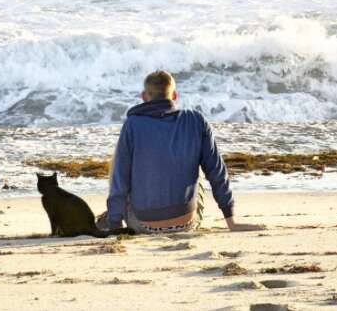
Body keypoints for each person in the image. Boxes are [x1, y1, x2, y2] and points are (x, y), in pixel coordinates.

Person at [105, 70, 265, 234]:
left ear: (144, 96)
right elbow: (217, 172)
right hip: (186, 223)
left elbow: (120, 177)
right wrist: (231, 221)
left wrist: (115, 224)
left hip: (144, 225)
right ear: (174, 95)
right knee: (200, 165)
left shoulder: (132, 124)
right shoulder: (196, 120)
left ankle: (112, 217)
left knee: (120, 163)